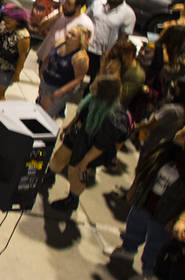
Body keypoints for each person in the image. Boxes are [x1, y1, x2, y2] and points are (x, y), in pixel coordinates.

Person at [113, 124, 185, 280]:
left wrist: (180, 218)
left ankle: (149, 273)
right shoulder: (168, 150)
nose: (177, 133)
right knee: (134, 225)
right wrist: (134, 188)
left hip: (167, 214)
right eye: (180, 130)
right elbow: (146, 169)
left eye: (183, 135)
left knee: (155, 245)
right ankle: (128, 249)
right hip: (146, 200)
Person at [48, 75, 130, 213]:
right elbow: (81, 113)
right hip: (78, 135)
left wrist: (85, 162)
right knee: (58, 158)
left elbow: (101, 145)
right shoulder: (92, 98)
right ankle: (49, 175)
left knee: (77, 173)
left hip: (90, 148)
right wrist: (69, 126)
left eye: (96, 86)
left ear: (105, 92)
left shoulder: (111, 118)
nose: (92, 87)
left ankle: (72, 199)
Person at [85, 0, 136, 81]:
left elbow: (123, 39)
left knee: (95, 81)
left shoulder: (128, 14)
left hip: (103, 54)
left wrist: (111, 55)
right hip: (87, 48)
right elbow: (85, 20)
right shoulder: (98, 3)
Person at [37, 25, 90, 118]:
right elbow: (48, 58)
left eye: (73, 35)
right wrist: (41, 72)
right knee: (38, 107)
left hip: (58, 89)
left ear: (80, 40)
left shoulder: (80, 58)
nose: (68, 36)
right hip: (45, 82)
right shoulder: (59, 43)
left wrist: (60, 92)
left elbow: (79, 79)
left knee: (45, 115)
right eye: (69, 32)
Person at [34, 0, 92, 71]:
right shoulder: (60, 14)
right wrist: (56, 17)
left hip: (62, 64)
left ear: (78, 7)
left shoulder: (86, 23)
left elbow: (84, 47)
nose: (64, 5)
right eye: (65, 2)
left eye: (69, 4)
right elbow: (40, 28)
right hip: (45, 57)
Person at [0, 4, 30, 102]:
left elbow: (22, 56)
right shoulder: (2, 25)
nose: (6, 19)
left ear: (18, 20)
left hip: (6, 69)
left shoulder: (23, 36)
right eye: (5, 16)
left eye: (10, 18)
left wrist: (17, 73)